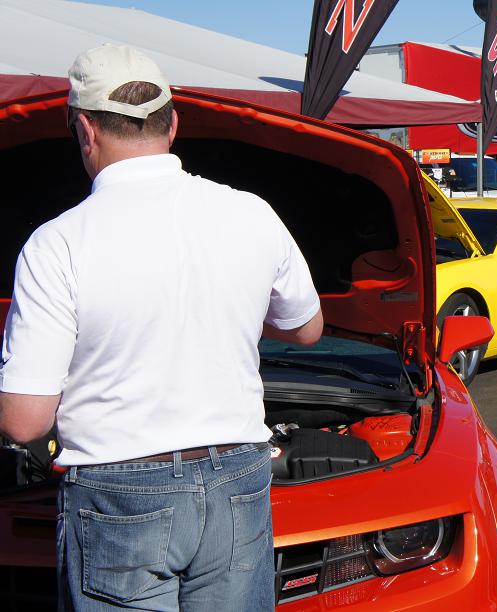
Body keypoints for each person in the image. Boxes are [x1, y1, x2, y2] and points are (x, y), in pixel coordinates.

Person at [0, 45, 323, 611]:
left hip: (118, 494)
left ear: (84, 129)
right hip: (237, 482)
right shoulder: (252, 213)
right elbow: (307, 329)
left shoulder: (56, 244)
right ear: (172, 122)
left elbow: (25, 420)